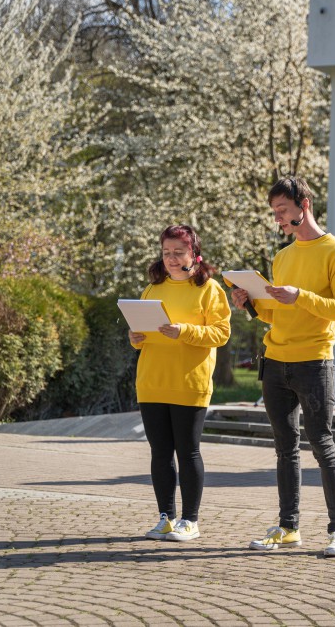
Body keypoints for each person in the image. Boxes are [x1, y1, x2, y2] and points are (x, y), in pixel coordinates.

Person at [231, 177, 335, 558]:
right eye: (274, 212)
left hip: (315, 362)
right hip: (275, 362)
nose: (278, 218)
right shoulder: (283, 257)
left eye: (282, 210)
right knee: (284, 448)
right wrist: (251, 303)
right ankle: (288, 528)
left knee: (322, 444)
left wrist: (300, 295)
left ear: (304, 205)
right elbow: (279, 311)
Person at [128, 225, 231, 542]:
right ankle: (166, 518)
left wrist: (184, 331)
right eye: (166, 252)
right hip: (152, 381)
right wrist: (135, 337)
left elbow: (221, 334)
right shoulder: (152, 288)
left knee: (188, 452)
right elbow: (140, 336)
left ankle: (190, 521)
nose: (171, 259)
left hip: (190, 382)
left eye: (178, 252)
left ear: (194, 253)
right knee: (160, 453)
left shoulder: (210, 289)